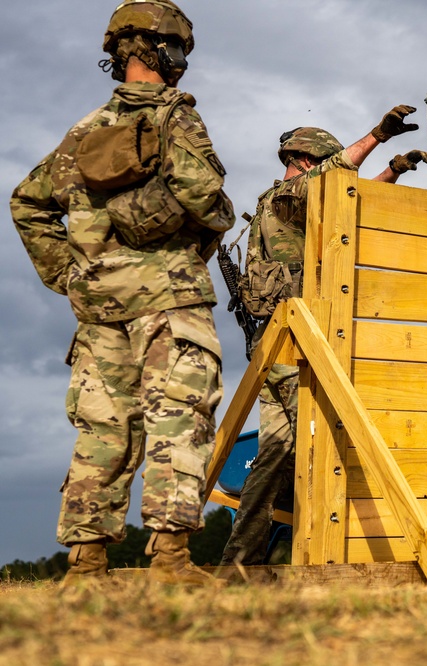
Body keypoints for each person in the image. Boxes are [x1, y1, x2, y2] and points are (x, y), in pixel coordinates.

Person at [10, 0, 234, 585]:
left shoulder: (81, 133)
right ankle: (170, 561)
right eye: (179, 50)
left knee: (104, 429)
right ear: (164, 50)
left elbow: (27, 202)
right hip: (168, 298)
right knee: (177, 419)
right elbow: (206, 199)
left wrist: (68, 274)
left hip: (98, 307)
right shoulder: (173, 116)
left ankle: (85, 566)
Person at [220, 121, 427, 566]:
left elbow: (348, 205)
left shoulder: (294, 204)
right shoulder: (286, 198)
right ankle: (326, 555)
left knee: (274, 454)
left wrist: (394, 171)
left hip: (280, 348)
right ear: (306, 161)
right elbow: (336, 178)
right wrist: (379, 136)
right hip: (294, 347)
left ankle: (240, 561)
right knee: (324, 443)